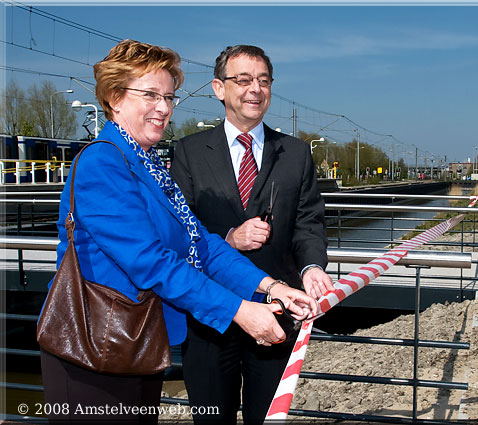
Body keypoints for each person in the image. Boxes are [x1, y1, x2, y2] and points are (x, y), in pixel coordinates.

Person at [39, 39, 316, 425]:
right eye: (150, 95)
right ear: (115, 98)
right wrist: (240, 311)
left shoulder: (148, 164)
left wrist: (271, 286)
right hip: (94, 348)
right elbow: (152, 262)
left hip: (137, 343)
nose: (164, 108)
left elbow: (200, 244)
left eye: (169, 97)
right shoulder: (103, 161)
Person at [170, 45, 335, 424]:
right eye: (242, 80)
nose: (254, 90)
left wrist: (311, 265)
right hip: (211, 318)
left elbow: (309, 221)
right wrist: (229, 237)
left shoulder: (295, 153)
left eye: (263, 81)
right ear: (218, 88)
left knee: (268, 418)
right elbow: (181, 229)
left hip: (277, 315)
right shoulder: (189, 152)